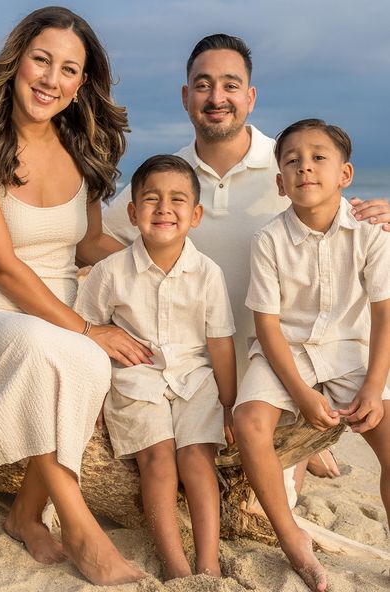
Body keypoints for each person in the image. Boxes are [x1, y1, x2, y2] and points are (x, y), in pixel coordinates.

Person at [0, 7, 151, 586]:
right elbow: (2, 267)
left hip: (50, 324)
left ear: (80, 86)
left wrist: (153, 260)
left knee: (65, 353)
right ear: (17, 61)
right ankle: (78, 527)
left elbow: (88, 242)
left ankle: (26, 512)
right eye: (41, 60)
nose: (51, 79)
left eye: (68, 70)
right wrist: (86, 330)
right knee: (58, 349)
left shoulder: (83, 151)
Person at [102, 33, 390, 481]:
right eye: (203, 85)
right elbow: (96, 239)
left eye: (230, 85)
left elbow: (348, 226)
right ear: (185, 96)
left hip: (285, 372)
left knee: (268, 499)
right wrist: (149, 269)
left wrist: (387, 213)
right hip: (202, 381)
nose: (217, 98)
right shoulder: (168, 178)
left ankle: (303, 448)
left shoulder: (291, 166)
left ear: (250, 97)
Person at [232, 119, 390, 592]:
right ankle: (293, 540)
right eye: (292, 160)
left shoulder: (371, 235)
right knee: (249, 423)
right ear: (280, 182)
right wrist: (300, 394)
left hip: (350, 351)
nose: (305, 167)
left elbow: (384, 316)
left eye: (319, 157)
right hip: (288, 353)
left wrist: (373, 389)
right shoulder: (268, 241)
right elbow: (269, 326)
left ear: (345, 174)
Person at [74, 155, 236, 579]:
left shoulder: (208, 273)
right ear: (132, 212)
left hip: (195, 378)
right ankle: (176, 566)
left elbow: (220, 343)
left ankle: (209, 562)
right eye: (151, 199)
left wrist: (229, 403)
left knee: (197, 460)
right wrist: (91, 400)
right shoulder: (110, 272)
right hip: (137, 378)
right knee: (158, 461)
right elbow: (85, 332)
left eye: (178, 199)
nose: (164, 208)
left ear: (196, 215)